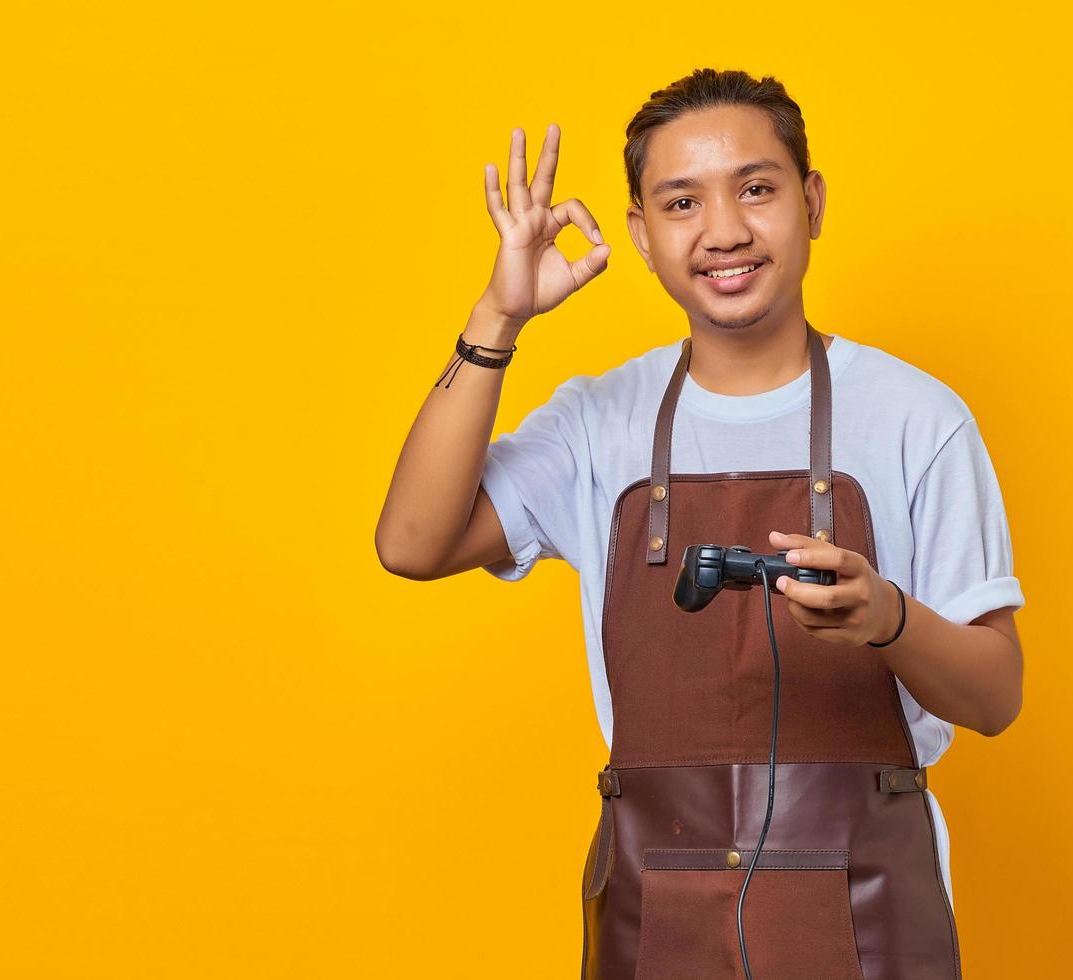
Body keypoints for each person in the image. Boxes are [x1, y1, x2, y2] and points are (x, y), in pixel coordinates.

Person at [376, 67, 1026, 980]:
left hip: (868, 915)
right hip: (656, 916)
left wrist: (890, 620)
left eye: (756, 189)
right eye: (682, 202)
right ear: (641, 235)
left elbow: (996, 695)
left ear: (812, 202)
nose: (724, 231)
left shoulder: (919, 417)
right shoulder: (598, 422)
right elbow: (410, 545)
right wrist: (499, 316)